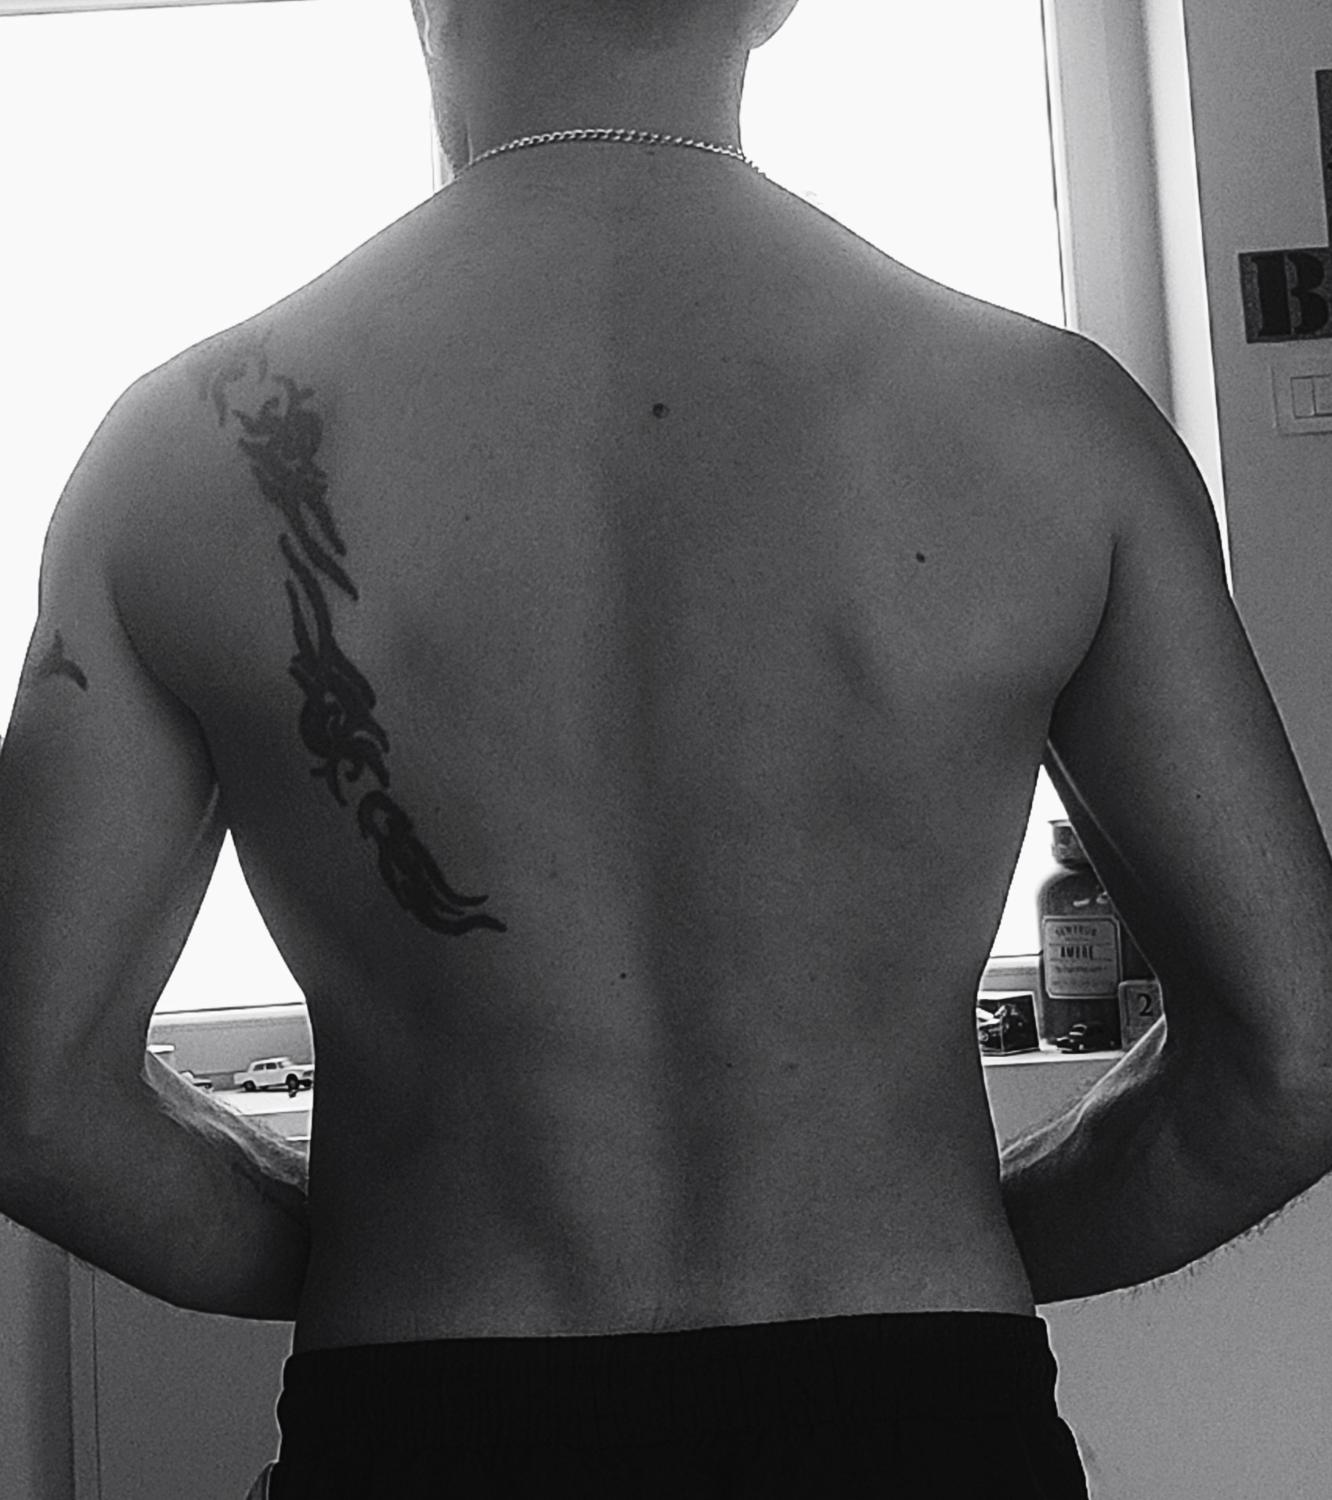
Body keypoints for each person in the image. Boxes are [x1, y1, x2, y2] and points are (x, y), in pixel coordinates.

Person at [5, 1, 1332, 1495]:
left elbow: (37, 1103)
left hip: (425, 1411)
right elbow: (1295, 1065)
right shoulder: (1056, 426)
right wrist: (945, 1254)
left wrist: (379, 1254)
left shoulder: (175, 457)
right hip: (917, 1408)